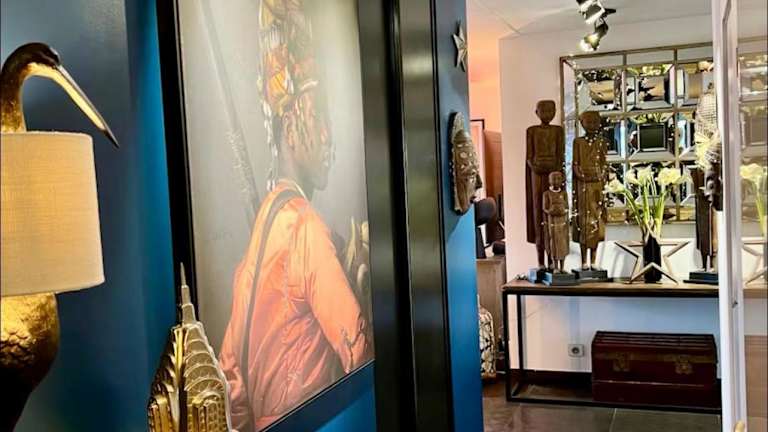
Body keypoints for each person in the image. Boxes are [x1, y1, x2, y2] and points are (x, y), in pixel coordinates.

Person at [218, 1, 371, 430]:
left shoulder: (266, 223)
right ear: (288, 129)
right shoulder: (304, 226)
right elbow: (358, 350)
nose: (327, 137)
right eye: (318, 118)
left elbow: (230, 372)